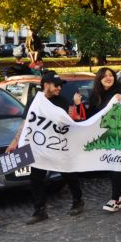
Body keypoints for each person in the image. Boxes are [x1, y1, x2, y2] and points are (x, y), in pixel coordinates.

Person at [6, 72, 84, 224]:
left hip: (58, 145)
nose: (59, 88)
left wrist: (75, 106)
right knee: (36, 178)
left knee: (69, 174)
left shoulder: (62, 101)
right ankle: (39, 210)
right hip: (39, 147)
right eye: (56, 85)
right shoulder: (34, 101)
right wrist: (14, 142)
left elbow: (71, 123)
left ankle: (78, 200)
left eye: (61, 85)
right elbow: (26, 123)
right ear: (46, 85)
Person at [86, 67, 121, 212]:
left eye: (111, 75)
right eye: (104, 76)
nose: (108, 78)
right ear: (99, 79)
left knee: (116, 166)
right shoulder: (95, 94)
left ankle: (116, 199)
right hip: (106, 136)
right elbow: (90, 117)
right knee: (112, 167)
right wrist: (78, 105)